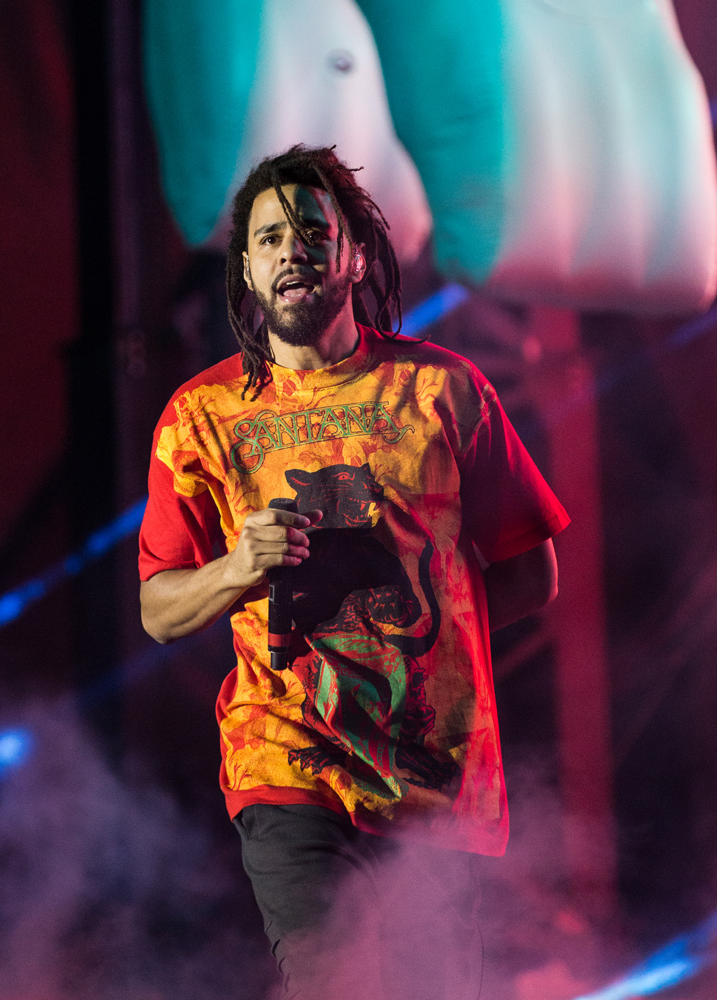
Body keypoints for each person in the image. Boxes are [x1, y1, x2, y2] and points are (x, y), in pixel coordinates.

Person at [138, 145, 570, 1000]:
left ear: (356, 257)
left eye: (312, 231)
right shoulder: (201, 417)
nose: (291, 250)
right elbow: (158, 609)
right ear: (246, 271)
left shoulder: (443, 390)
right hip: (287, 760)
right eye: (269, 238)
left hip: (434, 771)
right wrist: (237, 567)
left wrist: (426, 628)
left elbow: (532, 574)